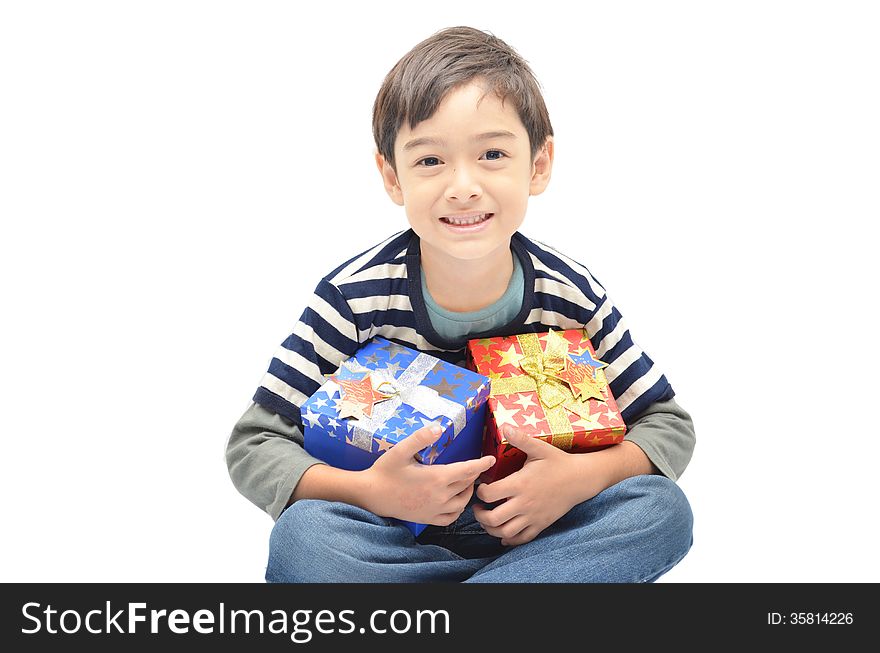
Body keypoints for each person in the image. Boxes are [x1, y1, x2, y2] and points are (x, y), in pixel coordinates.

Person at [226, 26, 695, 583]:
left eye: (493, 153)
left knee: (660, 510)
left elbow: (666, 424)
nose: (463, 185)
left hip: (543, 536)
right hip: (395, 537)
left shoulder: (570, 295)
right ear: (391, 176)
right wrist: (371, 490)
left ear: (539, 164)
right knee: (305, 537)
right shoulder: (353, 298)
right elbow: (255, 443)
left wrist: (576, 481)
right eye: (430, 161)